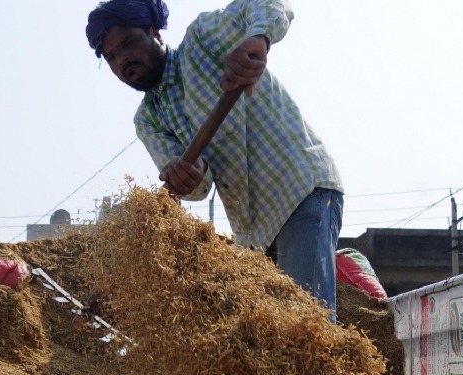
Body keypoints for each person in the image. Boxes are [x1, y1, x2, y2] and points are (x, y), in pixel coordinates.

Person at [86, 0, 344, 321]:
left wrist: (258, 39)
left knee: (309, 327)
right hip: (254, 234)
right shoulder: (149, 119)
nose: (122, 58)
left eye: (128, 43)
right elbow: (197, 188)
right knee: (275, 340)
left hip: (300, 191)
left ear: (154, 33)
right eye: (110, 56)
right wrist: (189, 174)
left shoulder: (203, 41)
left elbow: (268, 4)